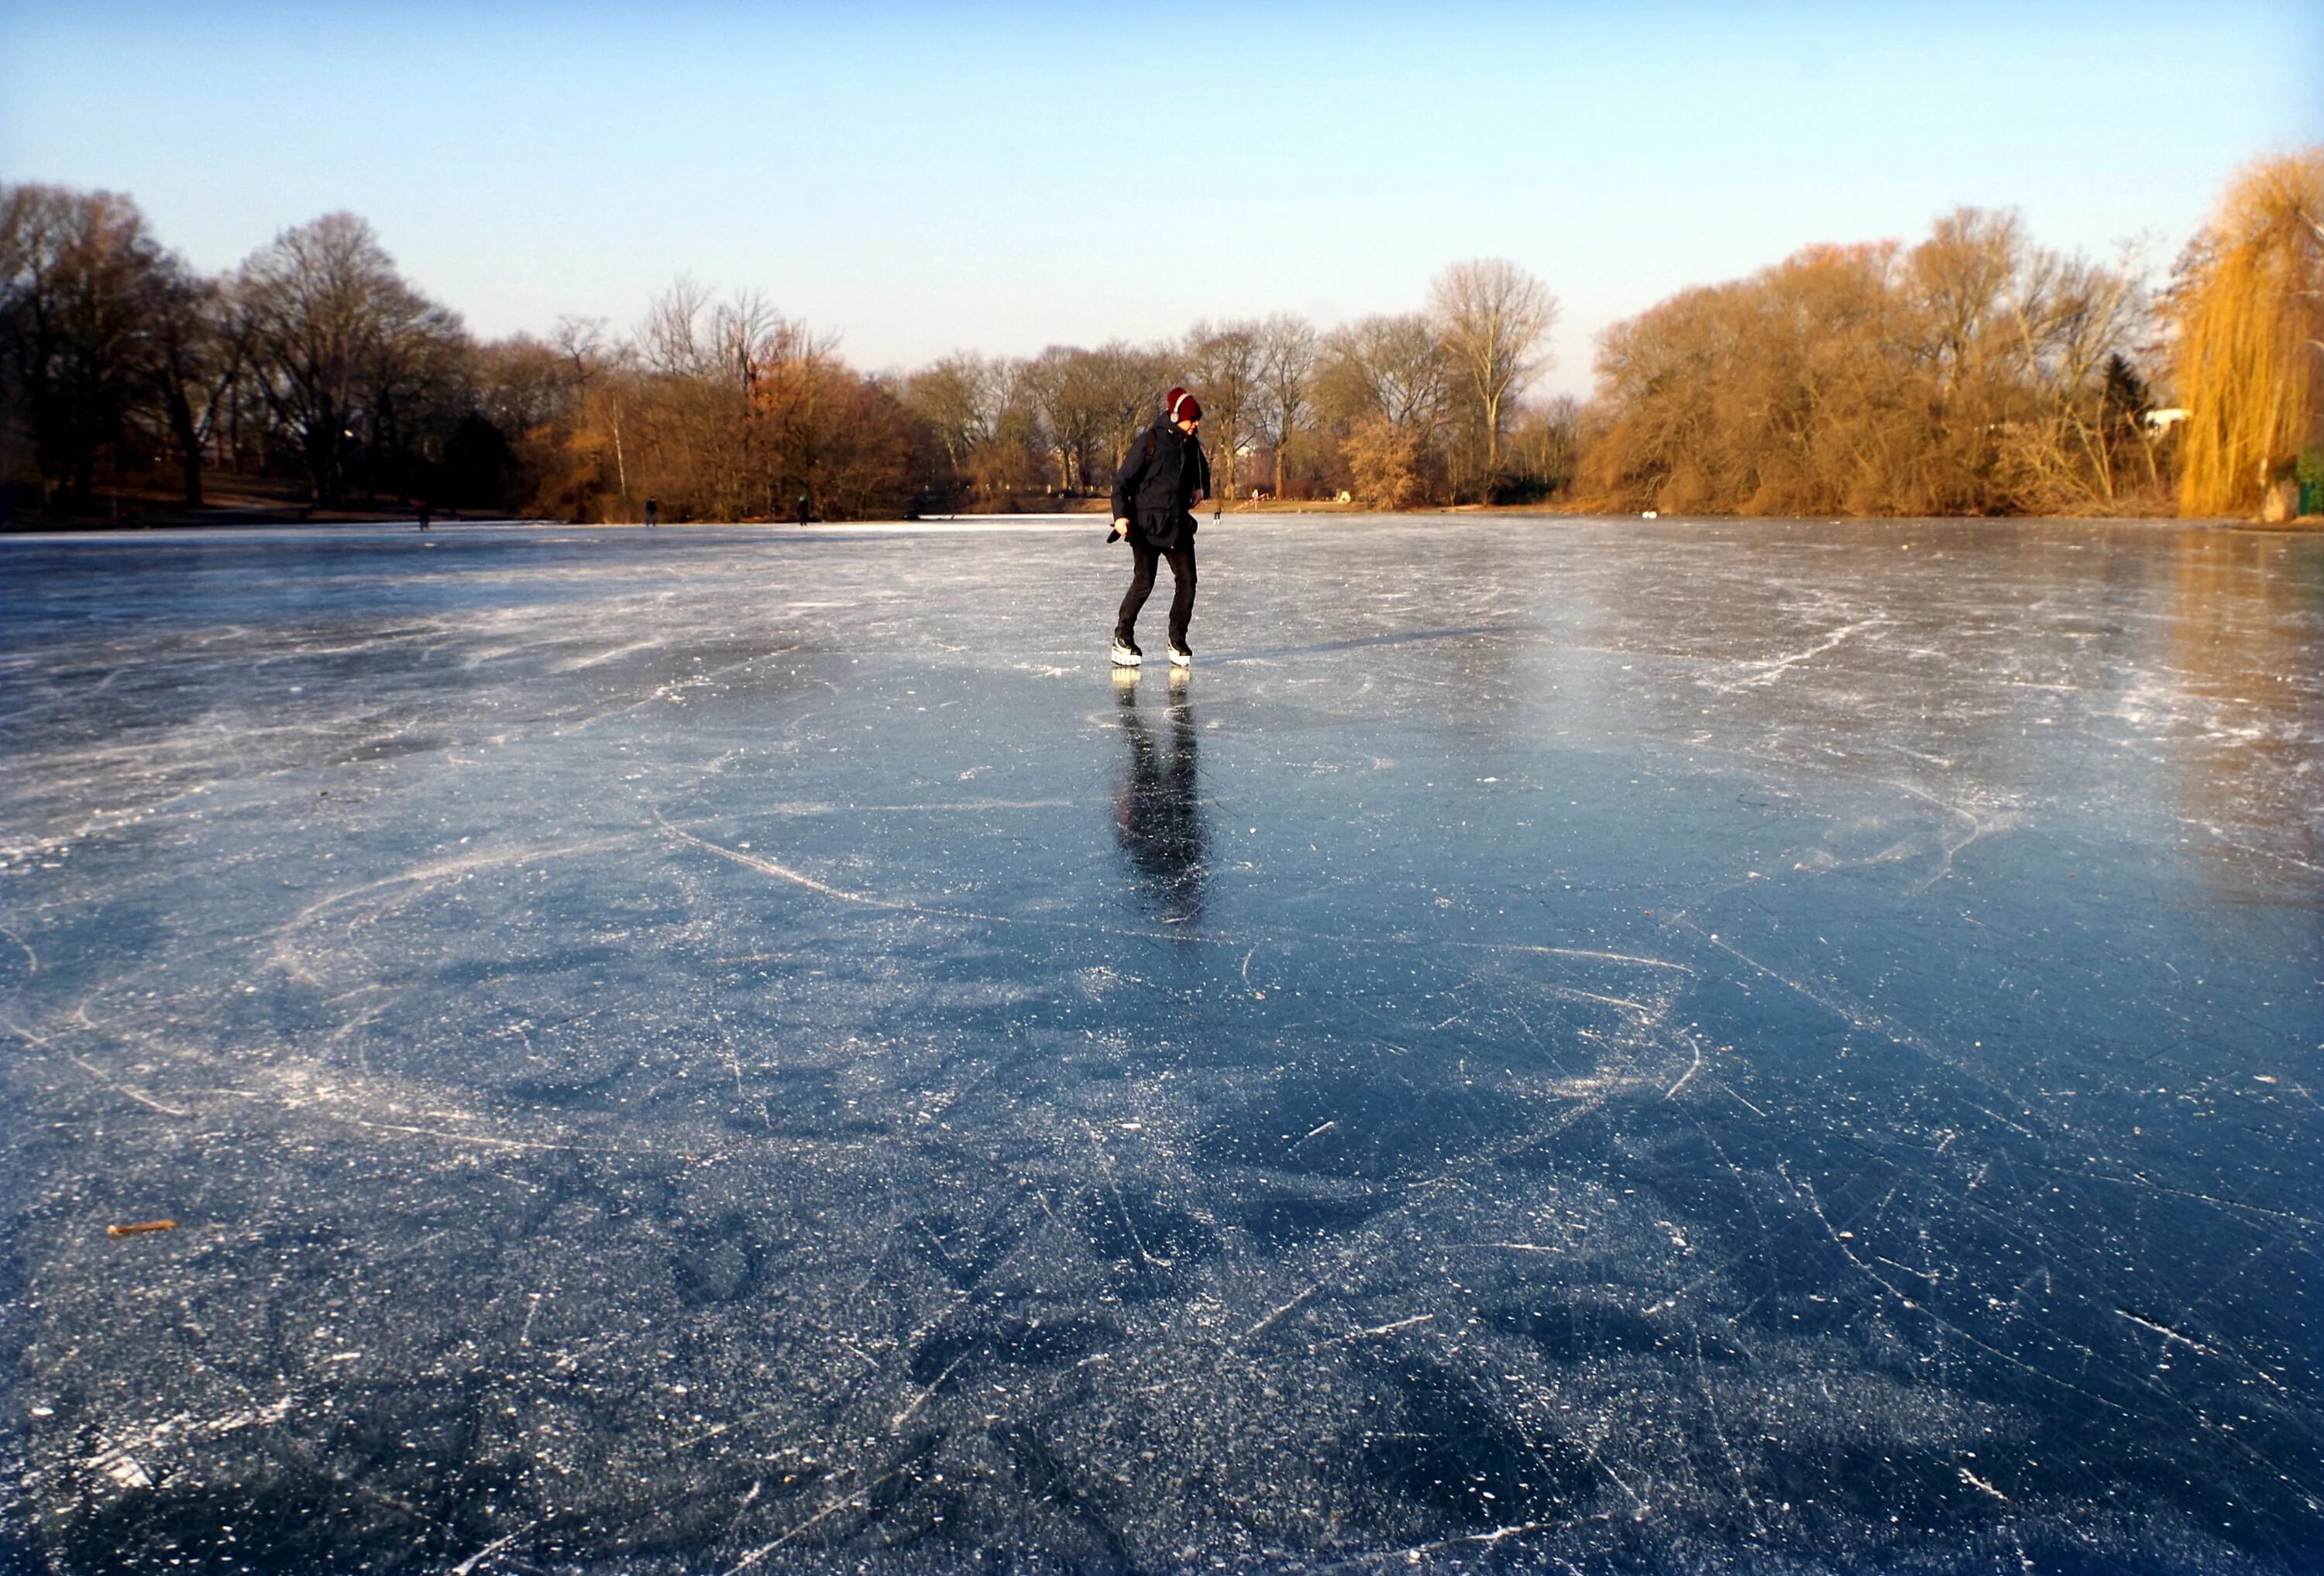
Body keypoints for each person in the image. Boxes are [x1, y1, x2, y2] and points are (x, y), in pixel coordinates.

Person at [1109, 386, 1210, 668]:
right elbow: (1121, 482)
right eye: (1192, 419)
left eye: (1198, 419)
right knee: (1144, 583)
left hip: (1178, 525)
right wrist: (1121, 516)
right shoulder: (1149, 441)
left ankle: (1177, 640)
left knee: (1188, 582)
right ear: (1177, 416)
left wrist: (1202, 488)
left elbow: (1202, 468)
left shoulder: (1191, 443)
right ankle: (1123, 638)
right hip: (1146, 526)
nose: (1196, 424)